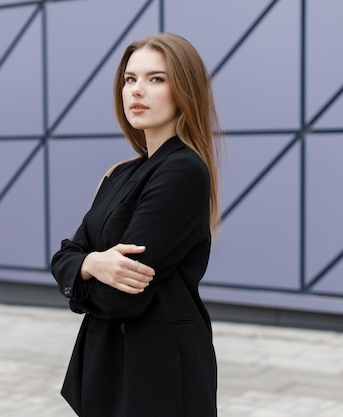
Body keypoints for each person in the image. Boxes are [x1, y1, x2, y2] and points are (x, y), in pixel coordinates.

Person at [50, 33, 222, 417]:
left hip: (155, 374)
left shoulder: (182, 171)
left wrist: (78, 279)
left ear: (185, 89)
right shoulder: (120, 173)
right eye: (130, 79)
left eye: (156, 79)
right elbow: (66, 254)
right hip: (109, 364)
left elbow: (121, 294)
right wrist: (91, 265)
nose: (137, 91)